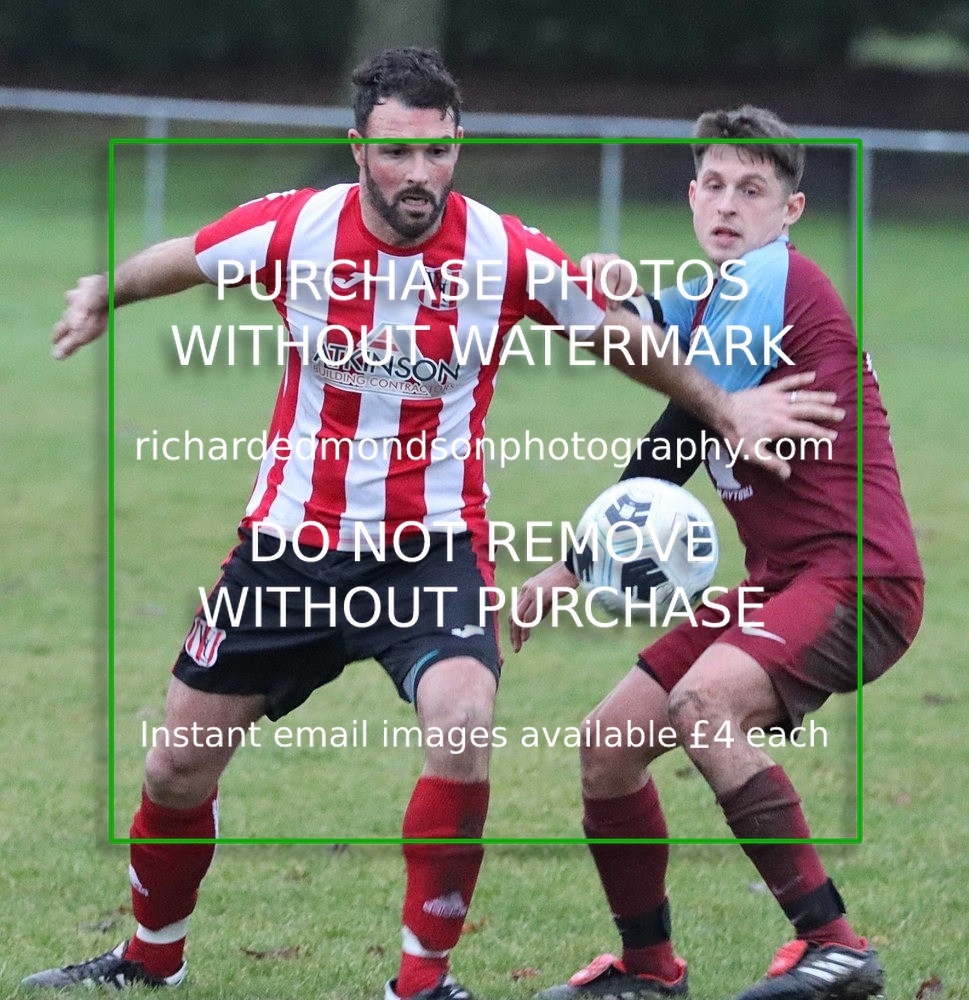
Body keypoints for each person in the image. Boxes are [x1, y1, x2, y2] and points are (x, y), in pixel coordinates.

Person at [25, 59, 839, 999]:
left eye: (439, 149)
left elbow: (614, 331)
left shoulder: (501, 250)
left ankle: (421, 983)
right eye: (399, 149)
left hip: (431, 550)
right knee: (176, 765)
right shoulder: (299, 227)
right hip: (289, 545)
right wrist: (103, 293)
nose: (420, 170)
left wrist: (719, 407)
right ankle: (147, 959)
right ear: (360, 148)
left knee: (462, 721)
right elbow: (187, 256)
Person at [513, 106, 924, 1000]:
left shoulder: (781, 281)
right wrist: (610, 288)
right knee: (608, 743)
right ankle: (647, 969)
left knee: (704, 704)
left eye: (752, 189)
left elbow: (671, 406)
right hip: (780, 582)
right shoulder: (711, 300)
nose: (728, 204)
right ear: (690, 196)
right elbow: (659, 381)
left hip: (860, 578)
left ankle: (834, 944)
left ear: (791, 210)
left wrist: (615, 311)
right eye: (712, 184)